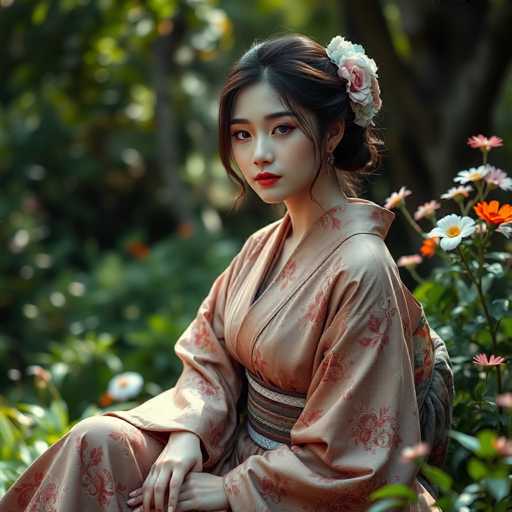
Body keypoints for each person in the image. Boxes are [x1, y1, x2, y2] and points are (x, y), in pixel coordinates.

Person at [0, 33, 453, 512]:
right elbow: (210, 353)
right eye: (243, 134)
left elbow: (358, 453)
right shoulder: (263, 245)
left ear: (334, 131)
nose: (259, 153)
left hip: (297, 488)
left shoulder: (362, 269)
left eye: (282, 129)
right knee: (99, 441)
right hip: (233, 447)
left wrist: (232, 490)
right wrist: (188, 435)